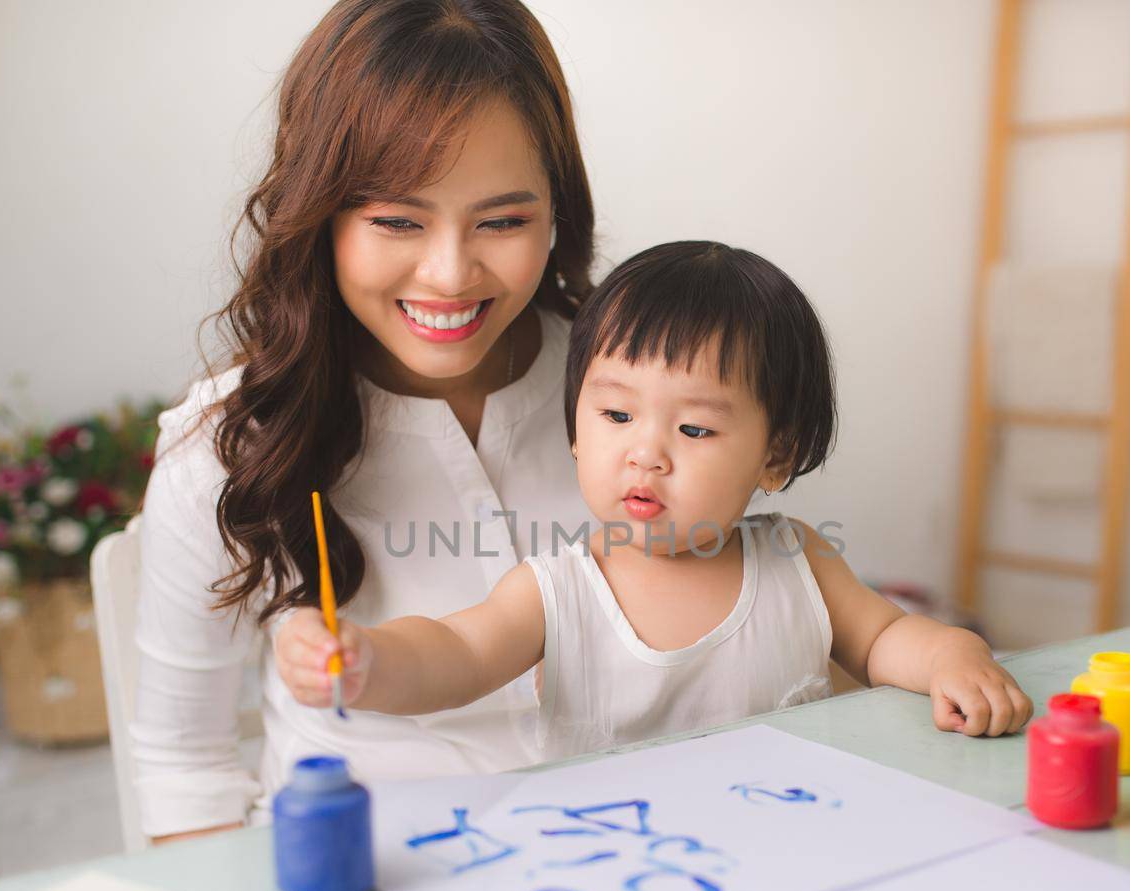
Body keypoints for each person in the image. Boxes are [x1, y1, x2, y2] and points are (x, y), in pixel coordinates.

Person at [131, 0, 596, 842]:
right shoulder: (228, 447)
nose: (450, 273)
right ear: (319, 214)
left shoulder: (631, 387)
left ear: (557, 207)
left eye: (503, 220)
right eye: (396, 220)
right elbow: (182, 770)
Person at [276, 242, 1034, 757]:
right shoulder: (558, 592)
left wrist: (953, 655)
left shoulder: (796, 560)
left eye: (696, 427)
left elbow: (882, 640)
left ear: (777, 455)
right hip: (621, 880)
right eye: (614, 416)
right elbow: (457, 652)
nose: (646, 451)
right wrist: (368, 661)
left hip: (790, 849)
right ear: (574, 429)